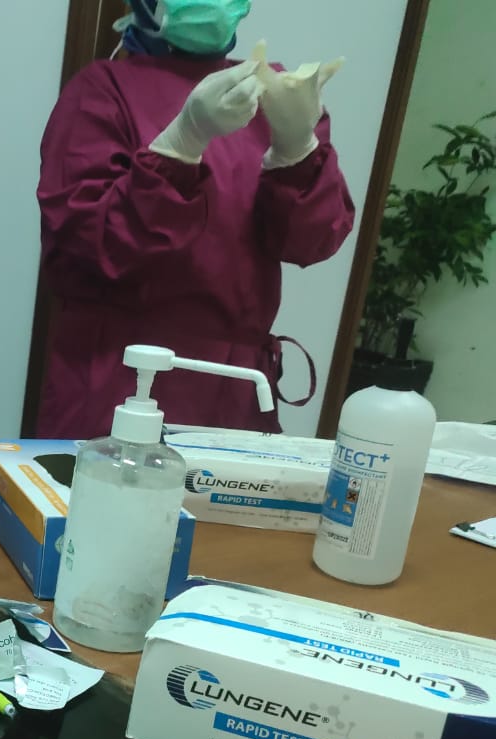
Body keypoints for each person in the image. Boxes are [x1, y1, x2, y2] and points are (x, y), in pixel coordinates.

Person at [35, 0, 355, 440]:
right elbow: (91, 248)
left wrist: (299, 148)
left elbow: (311, 241)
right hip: (121, 381)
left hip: (235, 391)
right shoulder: (101, 91)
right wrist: (181, 144)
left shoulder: (268, 92)